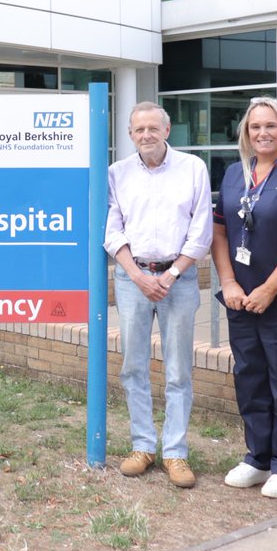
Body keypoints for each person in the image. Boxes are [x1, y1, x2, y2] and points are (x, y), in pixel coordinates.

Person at [211, 97, 277, 499]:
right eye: (255, 127)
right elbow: (219, 233)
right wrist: (229, 283)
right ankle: (257, 457)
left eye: (270, 125)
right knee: (250, 378)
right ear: (246, 132)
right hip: (240, 299)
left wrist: (270, 289)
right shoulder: (236, 174)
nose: (262, 133)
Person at [105, 101, 213, 488]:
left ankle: (176, 452)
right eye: (139, 130)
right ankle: (142, 446)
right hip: (132, 279)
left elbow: (201, 231)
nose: (146, 135)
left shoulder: (193, 169)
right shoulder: (116, 174)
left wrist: (169, 275)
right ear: (130, 135)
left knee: (178, 369)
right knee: (133, 367)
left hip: (178, 280)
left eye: (153, 128)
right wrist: (136, 274)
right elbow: (112, 229)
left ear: (167, 130)